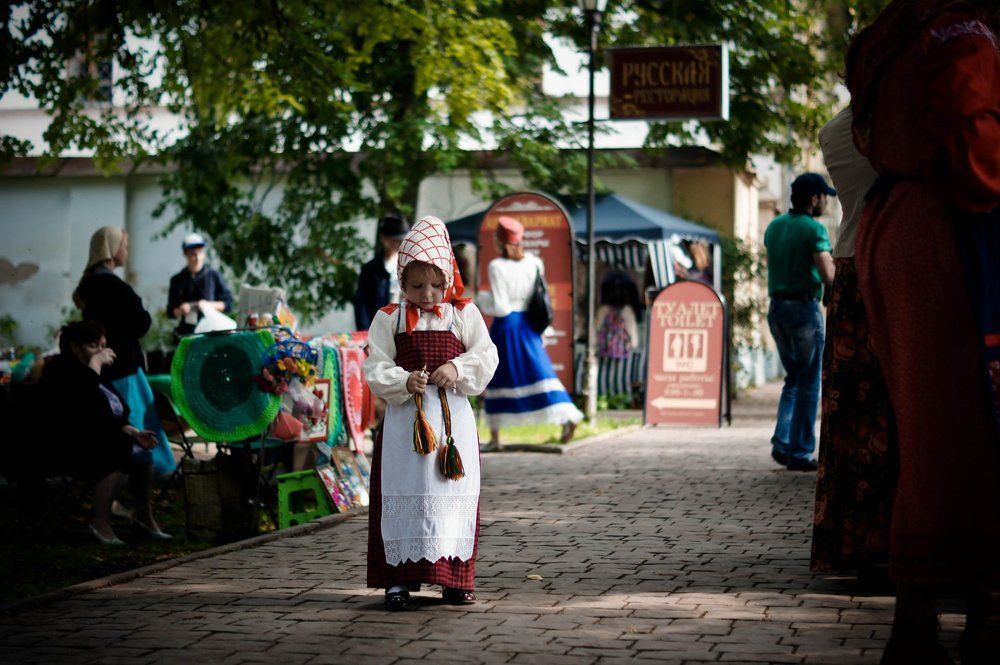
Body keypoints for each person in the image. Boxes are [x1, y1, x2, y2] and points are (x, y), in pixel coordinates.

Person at [846, 1, 1000, 661]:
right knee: (971, 422)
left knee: (932, 428)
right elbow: (976, 139)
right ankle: (982, 617)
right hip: (953, 227)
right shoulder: (961, 27)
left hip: (903, 225)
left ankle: (920, 619)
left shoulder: (895, 29)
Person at [363, 215, 498, 611]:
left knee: (449, 493)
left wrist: (457, 368)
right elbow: (374, 365)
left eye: (437, 285)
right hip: (407, 426)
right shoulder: (389, 319)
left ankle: (454, 578)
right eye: (418, 285)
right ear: (402, 281)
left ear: (449, 280)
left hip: (451, 424)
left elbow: (486, 355)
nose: (427, 294)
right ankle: (398, 580)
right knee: (406, 492)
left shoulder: (463, 315)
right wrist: (403, 381)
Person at [810, 106, 895, 583]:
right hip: (895, 264)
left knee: (853, 413)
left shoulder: (834, 132)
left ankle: (855, 539)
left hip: (850, 264)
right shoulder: (902, 120)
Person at [42, 321, 170, 545]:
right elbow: (85, 409)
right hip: (69, 445)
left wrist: (134, 431)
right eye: (94, 346)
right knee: (116, 450)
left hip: (98, 439)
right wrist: (94, 366)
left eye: (103, 346)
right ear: (74, 346)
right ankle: (100, 524)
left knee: (141, 449)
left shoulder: (94, 371)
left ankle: (144, 518)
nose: (101, 352)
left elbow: (113, 415)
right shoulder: (61, 370)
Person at [74, 227, 176, 477]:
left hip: (104, 366)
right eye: (125, 246)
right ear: (111, 250)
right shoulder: (111, 285)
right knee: (135, 420)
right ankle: (146, 471)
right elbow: (141, 322)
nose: (127, 251)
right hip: (123, 368)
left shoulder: (89, 285)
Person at [479, 216, 583, 449]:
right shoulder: (534, 263)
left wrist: (481, 299)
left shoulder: (497, 266)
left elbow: (501, 307)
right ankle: (568, 415)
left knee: (498, 377)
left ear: (499, 241)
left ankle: (496, 438)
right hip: (529, 324)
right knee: (541, 373)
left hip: (506, 326)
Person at [763, 173, 836, 472]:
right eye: (824, 196)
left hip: (777, 309)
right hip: (804, 310)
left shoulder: (775, 226)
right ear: (814, 198)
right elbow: (828, 274)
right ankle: (801, 452)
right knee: (808, 382)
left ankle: (782, 442)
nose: (827, 201)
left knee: (793, 378)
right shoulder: (813, 229)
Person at [166, 232, 234, 339]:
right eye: (193, 254)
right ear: (185, 254)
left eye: (200, 252)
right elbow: (170, 311)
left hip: (212, 331)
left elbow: (228, 303)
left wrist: (206, 305)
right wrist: (181, 310)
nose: (197, 257)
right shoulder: (177, 280)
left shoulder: (213, 275)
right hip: (187, 333)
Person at [354, 214, 411, 331]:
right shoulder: (370, 269)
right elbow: (361, 304)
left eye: (403, 241)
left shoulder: (411, 267)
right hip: (378, 328)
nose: (401, 245)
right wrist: (365, 332)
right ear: (384, 239)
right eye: (397, 241)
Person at [596, 271, 640, 361]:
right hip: (622, 356)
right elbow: (634, 342)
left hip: (604, 354)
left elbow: (595, 333)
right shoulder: (627, 311)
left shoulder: (602, 310)